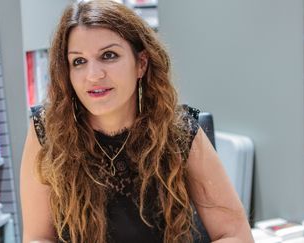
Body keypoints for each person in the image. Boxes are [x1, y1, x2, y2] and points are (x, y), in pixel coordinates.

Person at [20, 1, 253, 242]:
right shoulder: (47, 131)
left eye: (108, 56)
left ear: (141, 63)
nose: (93, 75)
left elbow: (236, 234)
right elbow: (37, 237)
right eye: (79, 61)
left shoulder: (179, 130)